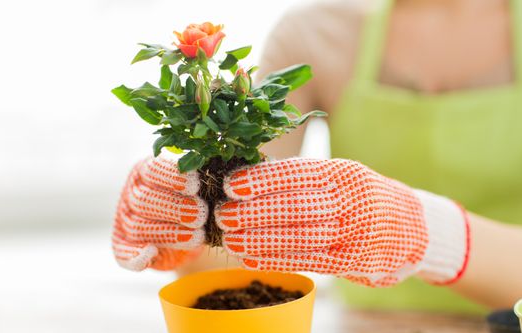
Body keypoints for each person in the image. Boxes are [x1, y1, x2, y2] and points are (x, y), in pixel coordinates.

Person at [112, 0, 522, 313]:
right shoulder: (317, 35)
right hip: (366, 331)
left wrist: (426, 232)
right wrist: (185, 226)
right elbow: (237, 250)